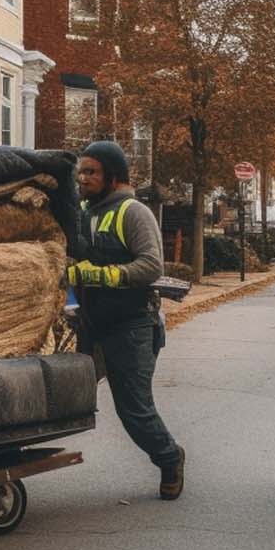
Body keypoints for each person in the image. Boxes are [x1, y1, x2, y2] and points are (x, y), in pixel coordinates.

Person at [68, 140, 185, 500]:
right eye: (80, 172)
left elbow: (151, 265)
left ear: (113, 177)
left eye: (91, 172)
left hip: (131, 327)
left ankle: (169, 458)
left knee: (134, 411)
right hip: (92, 324)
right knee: (69, 392)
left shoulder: (133, 212)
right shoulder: (87, 213)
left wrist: (98, 276)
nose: (83, 179)